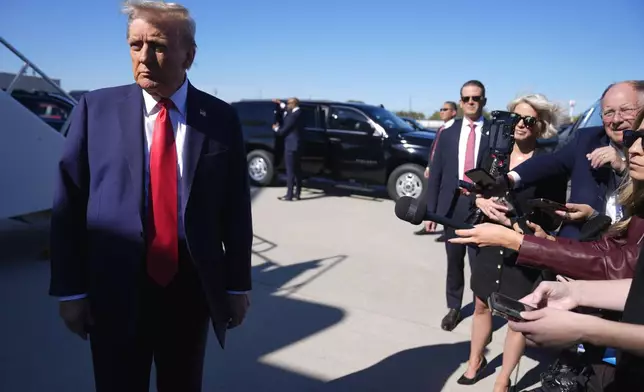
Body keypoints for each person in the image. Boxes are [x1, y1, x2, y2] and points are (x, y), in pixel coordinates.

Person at [48, 2, 253, 391]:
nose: (143, 57)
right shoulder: (96, 109)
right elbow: (68, 205)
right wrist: (71, 290)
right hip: (115, 286)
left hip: (189, 289)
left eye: (157, 45)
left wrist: (236, 285)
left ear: (189, 56)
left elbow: (236, 210)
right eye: (134, 45)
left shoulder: (220, 118)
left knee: (182, 382)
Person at [452, 94, 567, 391]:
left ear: (540, 126)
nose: (521, 125)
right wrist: (481, 200)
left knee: (516, 317)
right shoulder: (494, 156)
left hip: (523, 245)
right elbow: (478, 190)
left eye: (529, 120)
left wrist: (514, 223)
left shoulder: (549, 164)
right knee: (481, 304)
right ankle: (475, 360)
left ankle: (503, 380)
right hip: (490, 241)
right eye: (516, 118)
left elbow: (553, 218)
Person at [450, 109, 644, 282]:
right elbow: (613, 248)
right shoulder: (495, 156)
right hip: (510, 246)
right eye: (608, 112)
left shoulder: (548, 160)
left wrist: (516, 237)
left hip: (530, 253)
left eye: (528, 120)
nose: (634, 149)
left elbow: (623, 263)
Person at [504, 81, 644, 239]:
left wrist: (623, 168)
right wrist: (510, 178)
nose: (616, 119)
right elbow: (552, 162)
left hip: (629, 252)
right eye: (608, 112)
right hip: (579, 246)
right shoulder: (586, 140)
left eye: (625, 110)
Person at [426, 80, 490, 331]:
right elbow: (438, 174)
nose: (471, 102)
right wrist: (431, 210)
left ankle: (481, 308)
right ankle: (454, 307)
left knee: (479, 264)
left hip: (480, 208)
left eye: (476, 98)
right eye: (466, 98)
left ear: (483, 100)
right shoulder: (448, 133)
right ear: (460, 102)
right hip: (451, 207)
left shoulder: (493, 133)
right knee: (454, 261)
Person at [415, 101, 457, 236]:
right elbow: (434, 149)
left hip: (447, 172)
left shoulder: (455, 130)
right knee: (429, 198)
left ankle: (446, 231)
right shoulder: (441, 128)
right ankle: (428, 224)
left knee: (445, 200)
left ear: (454, 112)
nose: (442, 112)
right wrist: (429, 165)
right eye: (441, 109)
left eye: (445, 109)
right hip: (435, 169)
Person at [273, 97, 303, 201]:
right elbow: (287, 109)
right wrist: (280, 104)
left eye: (289, 104)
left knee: (290, 171)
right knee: (298, 170)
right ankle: (297, 193)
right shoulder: (299, 112)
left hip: (290, 145)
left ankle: (289, 195)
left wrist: (276, 128)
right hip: (297, 145)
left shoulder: (292, 116)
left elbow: (283, 131)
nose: (287, 105)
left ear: (293, 104)